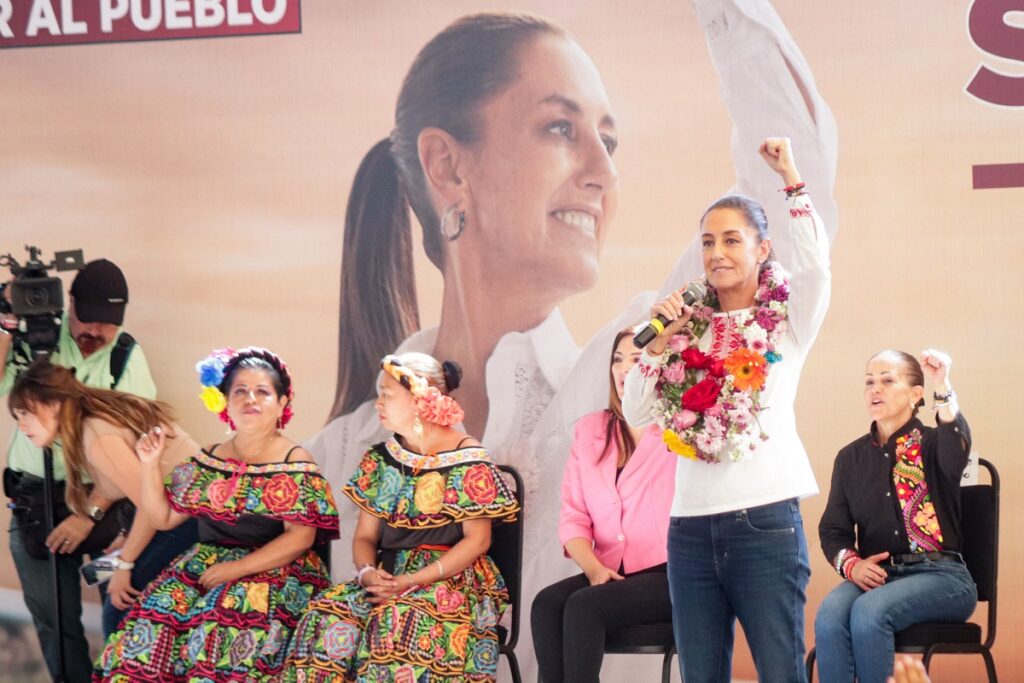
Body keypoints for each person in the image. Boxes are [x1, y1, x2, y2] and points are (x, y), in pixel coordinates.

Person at [306, 6, 839, 676]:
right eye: (561, 127)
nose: (603, 173)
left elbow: (793, 193)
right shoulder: (343, 450)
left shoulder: (619, 364)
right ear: (447, 164)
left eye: (608, 142)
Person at [622, 137, 830, 682]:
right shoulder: (687, 325)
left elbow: (816, 270)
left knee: (780, 671)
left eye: (732, 240)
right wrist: (659, 344)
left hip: (763, 521)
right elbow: (636, 411)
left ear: (763, 250)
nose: (716, 253)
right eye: (708, 241)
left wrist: (791, 178)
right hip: (688, 528)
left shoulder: (787, 322)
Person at [93, 347, 339, 682]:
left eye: (262, 391)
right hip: (206, 566)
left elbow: (300, 537)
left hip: (273, 572)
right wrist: (150, 466)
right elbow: (163, 517)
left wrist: (235, 570)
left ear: (282, 404)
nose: (250, 399)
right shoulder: (210, 457)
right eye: (240, 391)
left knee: (219, 637)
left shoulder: (295, 460)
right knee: (145, 635)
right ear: (224, 400)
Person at [284, 352, 519, 682]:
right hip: (390, 577)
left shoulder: (468, 459)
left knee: (400, 622)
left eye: (387, 394)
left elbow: (478, 541)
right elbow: (365, 537)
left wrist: (411, 582)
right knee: (326, 616)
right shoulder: (382, 459)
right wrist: (367, 573)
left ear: (421, 398)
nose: (378, 402)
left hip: (450, 581)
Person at [1, 258, 157, 682]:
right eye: (88, 321)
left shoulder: (125, 353)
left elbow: (139, 448)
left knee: (125, 607)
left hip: (105, 507)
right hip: (35, 505)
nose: (97, 333)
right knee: (55, 622)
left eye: (108, 325)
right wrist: (4, 324)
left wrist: (88, 513)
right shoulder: (31, 342)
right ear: (69, 304)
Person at [815, 350, 977, 683]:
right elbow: (833, 530)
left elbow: (957, 443)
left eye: (888, 381)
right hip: (880, 577)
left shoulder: (935, 444)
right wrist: (853, 565)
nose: (876, 389)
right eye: (870, 382)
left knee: (869, 611)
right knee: (829, 614)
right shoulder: (850, 458)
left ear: (916, 395)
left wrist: (942, 383)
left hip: (943, 576)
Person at [7, 361, 199, 637]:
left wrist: (126, 563)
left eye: (25, 413)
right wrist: (125, 539)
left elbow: (150, 505)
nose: (22, 425)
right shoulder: (93, 417)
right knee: (103, 580)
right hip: (179, 509)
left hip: (186, 516)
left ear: (53, 404)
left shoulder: (96, 435)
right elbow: (132, 494)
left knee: (119, 614)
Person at [531, 327, 676, 682]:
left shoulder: (679, 429)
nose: (626, 368)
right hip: (609, 569)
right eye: (618, 360)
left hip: (671, 574)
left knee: (583, 606)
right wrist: (594, 568)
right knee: (546, 604)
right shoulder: (591, 430)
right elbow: (574, 518)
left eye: (638, 358)